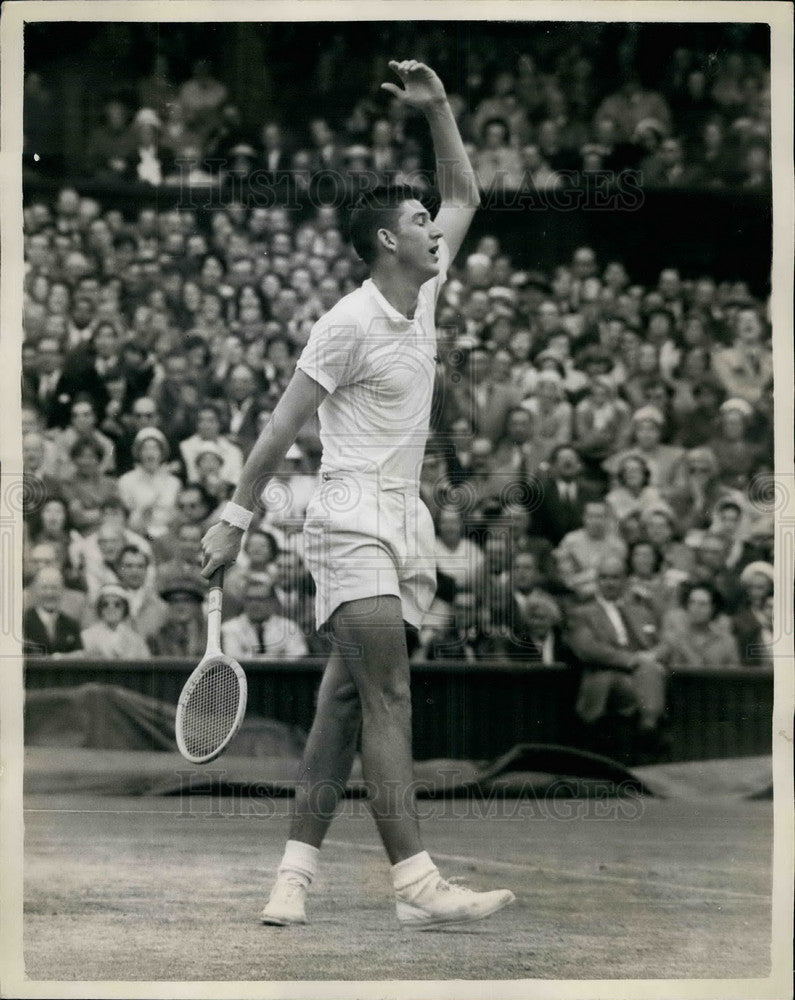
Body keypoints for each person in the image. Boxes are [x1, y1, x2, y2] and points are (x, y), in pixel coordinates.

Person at [201, 60, 514, 929]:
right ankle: (416, 884)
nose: (433, 227)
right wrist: (234, 518)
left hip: (403, 519)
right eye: (417, 220)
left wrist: (439, 107)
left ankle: (292, 877)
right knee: (389, 696)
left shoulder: (425, 290)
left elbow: (466, 193)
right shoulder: (344, 324)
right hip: (348, 518)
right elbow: (278, 429)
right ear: (386, 240)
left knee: (344, 704)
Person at [221, 575, 308, 660]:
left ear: (272, 601)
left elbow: (297, 658)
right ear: (243, 601)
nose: (255, 604)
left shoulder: (290, 627)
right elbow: (234, 659)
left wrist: (247, 654)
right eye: (250, 599)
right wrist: (278, 656)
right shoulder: (229, 628)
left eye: (261, 599)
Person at [79, 583, 150, 659]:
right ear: (100, 609)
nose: (111, 608)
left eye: (117, 605)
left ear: (125, 609)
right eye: (105, 604)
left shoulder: (135, 639)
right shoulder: (86, 636)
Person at [23, 566, 83, 656]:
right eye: (44, 588)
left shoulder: (71, 624)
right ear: (35, 590)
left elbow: (79, 655)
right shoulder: (23, 622)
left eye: (54, 588)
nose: (50, 593)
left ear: (62, 590)